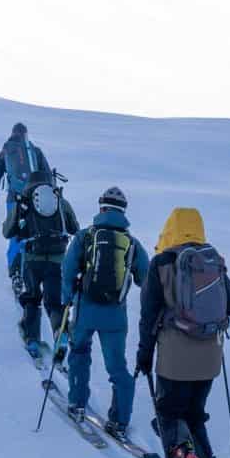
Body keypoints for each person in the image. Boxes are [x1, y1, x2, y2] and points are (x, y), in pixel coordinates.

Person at [135, 207, 230, 458]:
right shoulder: (211, 262)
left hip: (174, 358)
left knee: (168, 413)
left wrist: (144, 355)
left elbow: (148, 316)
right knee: (194, 413)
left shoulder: (160, 264)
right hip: (210, 357)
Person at [61, 186, 149, 438]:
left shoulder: (86, 236)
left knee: (79, 353)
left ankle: (77, 404)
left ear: (101, 208)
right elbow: (146, 278)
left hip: (85, 311)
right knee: (117, 368)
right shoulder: (131, 243)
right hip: (115, 316)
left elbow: (67, 271)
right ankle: (119, 420)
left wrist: (68, 298)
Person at [2, 166, 78, 357]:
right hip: (57, 260)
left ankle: (32, 340)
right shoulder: (60, 201)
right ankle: (60, 334)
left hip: (31, 259)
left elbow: (7, 232)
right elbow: (74, 228)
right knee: (54, 302)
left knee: (32, 298)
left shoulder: (25, 201)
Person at [0, 123, 50, 294]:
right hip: (33, 199)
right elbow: (48, 177)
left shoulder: (5, 151)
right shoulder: (35, 151)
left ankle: (15, 274)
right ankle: (30, 271)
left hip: (13, 200)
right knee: (31, 233)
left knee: (15, 234)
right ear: (26, 135)